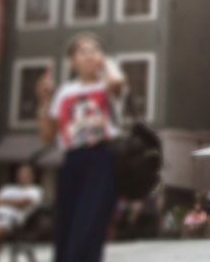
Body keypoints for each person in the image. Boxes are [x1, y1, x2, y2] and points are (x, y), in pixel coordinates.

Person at [36, 32, 127, 261]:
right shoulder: (65, 92)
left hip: (102, 158)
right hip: (71, 161)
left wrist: (105, 62)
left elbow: (117, 82)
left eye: (94, 50)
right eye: (82, 51)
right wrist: (44, 100)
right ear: (71, 61)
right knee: (66, 227)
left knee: (88, 227)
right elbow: (47, 137)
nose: (89, 55)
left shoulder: (106, 86)